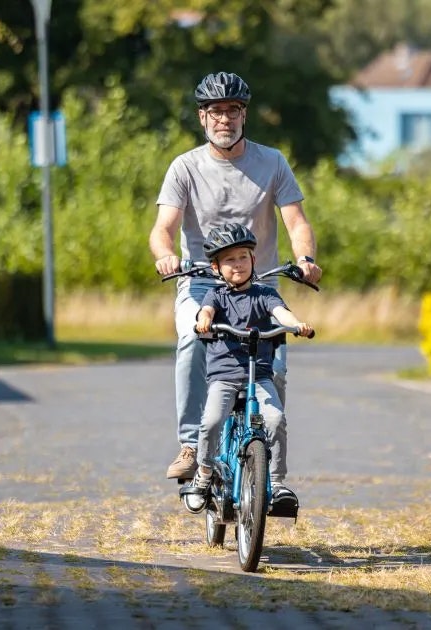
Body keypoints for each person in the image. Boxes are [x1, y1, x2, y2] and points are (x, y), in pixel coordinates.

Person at [150, 71, 322, 480]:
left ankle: (269, 466)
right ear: (202, 117)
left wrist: (306, 258)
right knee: (192, 339)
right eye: (215, 111)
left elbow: (296, 221)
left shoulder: (272, 162)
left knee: (275, 369)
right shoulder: (185, 167)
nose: (224, 119)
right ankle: (191, 445)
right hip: (202, 282)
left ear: (244, 115)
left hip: (261, 285)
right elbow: (163, 228)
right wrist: (166, 256)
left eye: (232, 110)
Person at [193, 224, 312, 504]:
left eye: (243, 257)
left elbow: (281, 313)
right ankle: (204, 472)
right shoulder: (216, 296)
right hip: (224, 376)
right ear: (216, 267)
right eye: (230, 259)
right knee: (211, 421)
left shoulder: (264, 294)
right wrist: (204, 320)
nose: (238, 264)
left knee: (275, 419)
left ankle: (277, 483)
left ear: (254, 259)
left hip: (259, 375)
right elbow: (206, 311)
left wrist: (297, 324)